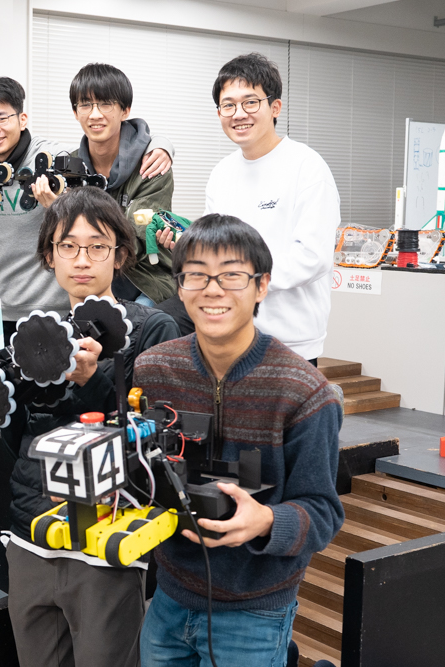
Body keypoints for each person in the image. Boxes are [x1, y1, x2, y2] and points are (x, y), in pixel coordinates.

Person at [134, 214, 344, 667]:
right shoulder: (152, 370)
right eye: (196, 275)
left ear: (262, 285)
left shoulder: (303, 392)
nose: (213, 290)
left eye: (231, 275)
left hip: (256, 610)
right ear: (180, 286)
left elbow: (324, 512)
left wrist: (266, 520)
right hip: (168, 596)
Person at [0, 187, 180, 667]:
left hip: (107, 539)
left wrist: (93, 380)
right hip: (32, 530)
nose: (82, 260)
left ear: (119, 255)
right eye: (68, 246)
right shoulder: (35, 333)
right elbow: (17, 434)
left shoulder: (152, 328)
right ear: (49, 255)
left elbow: (152, 436)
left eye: (97, 246)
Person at [0, 77, 171, 341]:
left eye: (1, 118)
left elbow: (108, 149)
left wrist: (161, 145)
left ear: (22, 119)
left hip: (53, 306)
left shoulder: (57, 158)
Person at [204, 53, 340, 364]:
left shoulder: (307, 167)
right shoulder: (221, 173)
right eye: (228, 105)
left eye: (250, 102)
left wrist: (242, 278)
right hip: (230, 333)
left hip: (290, 340)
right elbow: (215, 247)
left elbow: (312, 257)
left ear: (275, 107)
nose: (239, 114)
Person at [34, 63, 177, 307]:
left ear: (125, 110)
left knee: (132, 321)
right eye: (85, 105)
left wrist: (69, 214)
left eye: (106, 104)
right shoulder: (68, 166)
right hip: (91, 278)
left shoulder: (152, 164)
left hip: (144, 281)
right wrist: (57, 211)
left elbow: (137, 239)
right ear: (75, 112)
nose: (95, 114)